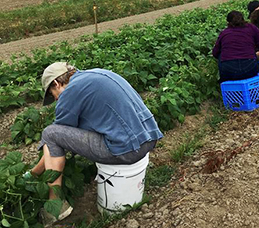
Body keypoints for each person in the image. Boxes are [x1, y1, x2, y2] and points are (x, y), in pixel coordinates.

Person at [26, 62, 164, 226]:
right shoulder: (98, 73)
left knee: (49, 133)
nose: (56, 100)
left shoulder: (70, 92)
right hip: (148, 138)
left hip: (127, 150)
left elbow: (54, 137)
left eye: (53, 94)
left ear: (56, 83)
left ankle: (55, 206)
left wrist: (32, 174)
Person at [212, 10, 259, 83]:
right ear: (243, 19)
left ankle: (227, 85)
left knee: (221, 53)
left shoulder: (224, 33)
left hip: (229, 71)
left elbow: (215, 53)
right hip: (250, 68)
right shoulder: (252, 28)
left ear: (228, 22)